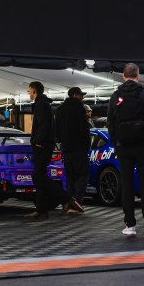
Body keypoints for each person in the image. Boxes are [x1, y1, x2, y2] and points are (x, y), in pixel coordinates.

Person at [107, 63, 144, 236]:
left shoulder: (116, 95)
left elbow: (110, 122)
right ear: (138, 76)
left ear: (123, 76)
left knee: (127, 183)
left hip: (123, 146)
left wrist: (116, 141)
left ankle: (129, 225)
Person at [26, 81, 71, 221]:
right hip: (44, 144)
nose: (28, 93)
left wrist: (37, 141)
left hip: (42, 145)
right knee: (39, 177)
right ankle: (42, 210)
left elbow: (43, 125)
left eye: (29, 90)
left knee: (38, 176)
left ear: (34, 91)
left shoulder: (41, 105)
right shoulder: (43, 104)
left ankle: (65, 199)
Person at [55, 86, 90, 215]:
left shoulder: (60, 109)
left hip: (66, 149)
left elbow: (56, 129)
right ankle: (77, 203)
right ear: (75, 95)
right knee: (82, 175)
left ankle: (69, 202)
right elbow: (84, 129)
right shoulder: (79, 108)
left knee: (70, 177)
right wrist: (86, 145)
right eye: (81, 95)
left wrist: (61, 141)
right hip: (79, 148)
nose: (82, 98)